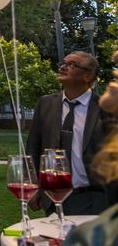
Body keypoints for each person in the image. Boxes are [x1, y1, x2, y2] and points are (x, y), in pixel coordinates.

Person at [27, 51, 117, 215]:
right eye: (63, 63)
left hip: (96, 200)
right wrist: (32, 185)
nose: (63, 67)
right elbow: (33, 147)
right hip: (54, 199)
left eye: (72, 65)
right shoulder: (45, 104)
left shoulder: (106, 108)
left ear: (88, 76)